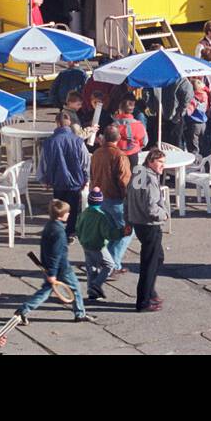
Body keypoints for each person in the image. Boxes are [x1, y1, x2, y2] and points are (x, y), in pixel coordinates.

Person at [17, 199, 94, 324]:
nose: (69, 214)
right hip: (61, 268)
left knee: (45, 292)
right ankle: (80, 314)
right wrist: (52, 274)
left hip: (48, 265)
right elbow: (56, 254)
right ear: (61, 215)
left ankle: (23, 311)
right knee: (75, 288)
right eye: (67, 212)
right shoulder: (59, 232)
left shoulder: (50, 225)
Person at [127, 148, 170, 312]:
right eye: (160, 162)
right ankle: (144, 301)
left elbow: (129, 197)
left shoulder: (139, 173)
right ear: (150, 161)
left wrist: (127, 219)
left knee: (158, 257)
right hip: (149, 225)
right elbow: (151, 208)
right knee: (149, 264)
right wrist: (164, 215)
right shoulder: (150, 179)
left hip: (137, 221)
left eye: (164, 163)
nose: (162, 166)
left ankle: (150, 291)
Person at [37, 110, 90, 240]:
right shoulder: (78, 141)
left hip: (57, 181)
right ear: (69, 123)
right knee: (73, 211)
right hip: (75, 182)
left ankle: (58, 231)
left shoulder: (49, 142)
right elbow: (85, 162)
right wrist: (86, 178)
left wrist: (43, 179)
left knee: (58, 209)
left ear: (56, 123)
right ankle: (70, 232)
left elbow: (43, 162)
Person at [89, 125, 133, 273]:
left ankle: (105, 262)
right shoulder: (120, 156)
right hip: (115, 199)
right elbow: (124, 180)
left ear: (103, 138)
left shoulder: (96, 153)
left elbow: (92, 175)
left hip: (100, 198)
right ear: (119, 139)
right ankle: (112, 264)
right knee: (126, 231)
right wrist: (128, 198)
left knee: (111, 232)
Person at [75, 187, 119, 304]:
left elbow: (77, 229)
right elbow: (108, 234)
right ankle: (96, 285)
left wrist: (82, 240)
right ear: (101, 201)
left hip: (86, 245)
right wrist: (121, 232)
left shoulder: (83, 214)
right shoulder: (101, 216)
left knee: (91, 269)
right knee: (110, 265)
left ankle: (92, 294)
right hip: (98, 246)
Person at [159, 73, 193, 149]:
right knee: (172, 143)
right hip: (171, 117)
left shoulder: (167, 80)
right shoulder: (182, 81)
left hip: (170, 116)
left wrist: (180, 112)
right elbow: (188, 97)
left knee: (172, 144)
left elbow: (187, 97)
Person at [182, 77, 211, 155]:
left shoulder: (193, 98)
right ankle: (205, 163)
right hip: (203, 123)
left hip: (193, 123)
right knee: (204, 144)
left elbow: (189, 111)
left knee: (194, 146)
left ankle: (195, 162)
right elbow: (207, 108)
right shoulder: (205, 96)